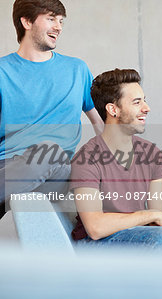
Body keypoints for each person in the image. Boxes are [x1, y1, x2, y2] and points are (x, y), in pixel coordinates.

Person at [0, 0, 104, 217]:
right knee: (25, 215)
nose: (58, 26)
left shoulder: (77, 69)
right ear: (26, 22)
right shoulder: (2, 71)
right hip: (9, 166)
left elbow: (100, 123)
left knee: (53, 154)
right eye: (51, 19)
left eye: (60, 21)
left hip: (58, 171)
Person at [70, 68, 162, 254]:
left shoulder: (151, 153)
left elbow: (159, 217)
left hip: (140, 236)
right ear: (113, 109)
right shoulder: (86, 158)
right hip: (96, 244)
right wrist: (148, 215)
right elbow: (95, 227)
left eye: (144, 100)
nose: (146, 108)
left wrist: (154, 217)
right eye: (137, 102)